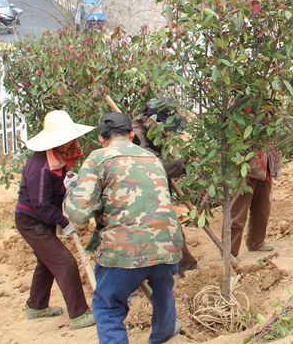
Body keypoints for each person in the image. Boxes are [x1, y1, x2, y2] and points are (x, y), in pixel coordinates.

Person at [64, 112, 183, 344]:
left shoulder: (97, 159)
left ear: (101, 138)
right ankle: (164, 335)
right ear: (130, 134)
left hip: (123, 250)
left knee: (107, 306)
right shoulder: (152, 158)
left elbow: (78, 213)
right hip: (166, 245)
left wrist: (72, 189)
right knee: (163, 291)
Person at [15, 110, 96, 330]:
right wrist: (63, 222)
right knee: (64, 262)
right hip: (31, 222)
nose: (71, 143)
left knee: (46, 262)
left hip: (43, 218)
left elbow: (54, 190)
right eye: (66, 139)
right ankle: (79, 314)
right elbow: (40, 204)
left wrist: (68, 183)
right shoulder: (40, 168)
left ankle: (36, 306)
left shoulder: (57, 157)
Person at [132, 97, 198, 274]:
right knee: (160, 228)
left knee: (170, 226)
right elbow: (152, 165)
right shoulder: (137, 134)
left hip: (157, 186)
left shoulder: (155, 130)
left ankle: (184, 265)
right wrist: (182, 164)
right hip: (139, 190)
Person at [230, 144, 282, 257]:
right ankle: (230, 252)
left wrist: (277, 164)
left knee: (262, 210)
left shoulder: (269, 132)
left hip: (265, 172)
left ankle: (256, 242)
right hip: (245, 174)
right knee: (238, 214)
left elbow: (276, 144)